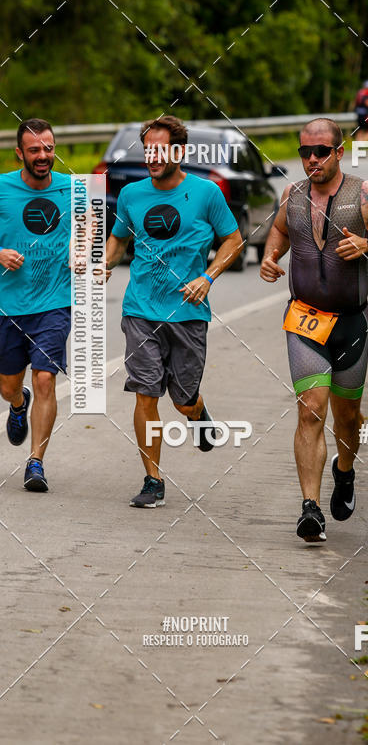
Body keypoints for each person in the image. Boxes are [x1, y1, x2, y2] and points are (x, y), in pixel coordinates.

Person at [260, 118, 368, 541]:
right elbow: (278, 231)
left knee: (347, 417)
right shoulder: (292, 196)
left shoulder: (366, 194)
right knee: (311, 407)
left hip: (351, 323)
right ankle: (309, 508)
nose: (312, 159)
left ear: (339, 152)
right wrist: (272, 258)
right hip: (304, 320)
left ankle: (344, 470)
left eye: (320, 151)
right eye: (304, 151)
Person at [105, 115, 242, 507]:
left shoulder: (207, 193)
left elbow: (233, 239)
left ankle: (197, 415)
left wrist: (209, 276)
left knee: (182, 399)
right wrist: (105, 264)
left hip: (188, 312)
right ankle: (153, 480)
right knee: (145, 393)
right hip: (140, 309)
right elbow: (118, 242)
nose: (152, 156)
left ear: (180, 152)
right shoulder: (132, 195)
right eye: (147, 149)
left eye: (160, 149)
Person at [0, 119, 72, 492]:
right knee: (8, 384)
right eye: (35, 150)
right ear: (20, 153)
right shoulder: (2, 188)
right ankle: (16, 404)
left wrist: (88, 258)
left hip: (54, 303)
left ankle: (36, 462)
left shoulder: (73, 189)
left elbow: (91, 232)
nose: (43, 156)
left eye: (48, 148)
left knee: (45, 378)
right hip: (8, 305)